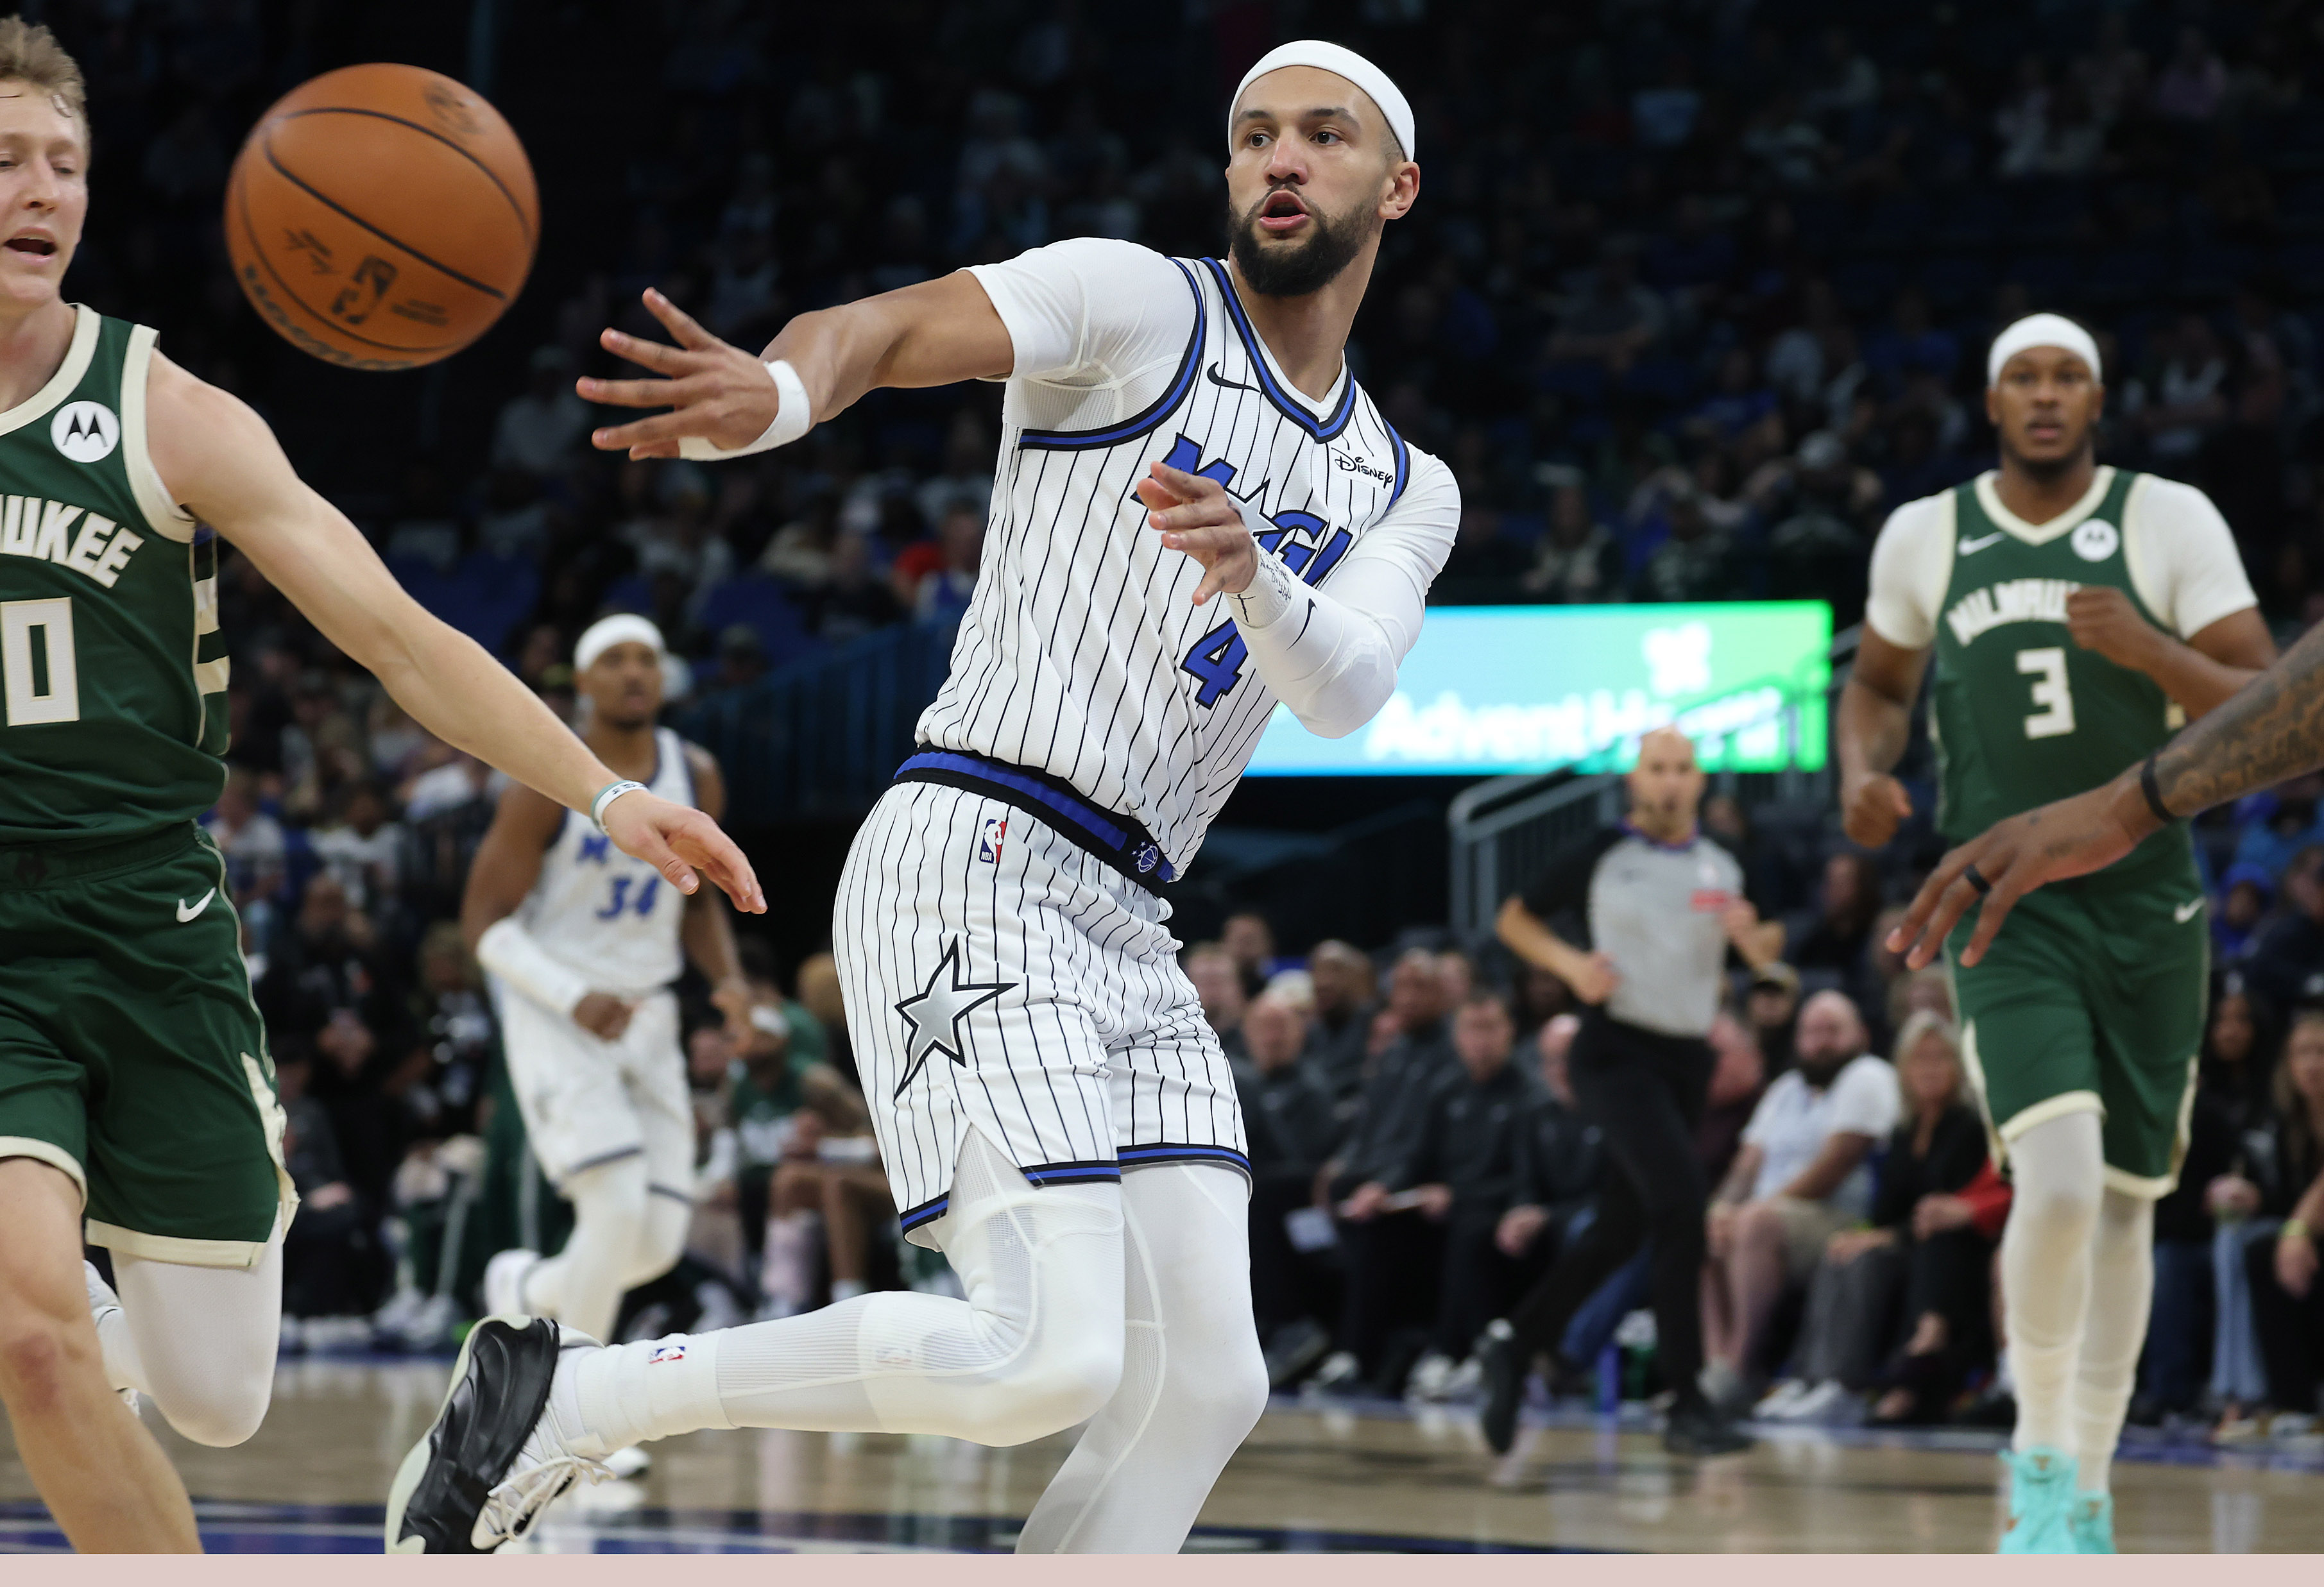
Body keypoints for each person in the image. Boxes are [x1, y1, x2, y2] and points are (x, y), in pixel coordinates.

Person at [388, 41, 1455, 1556]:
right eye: (1254, 135)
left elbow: (1344, 689)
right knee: (1049, 1354)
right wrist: (772, 389)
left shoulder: (1407, 481)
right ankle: (579, 1396)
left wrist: (1252, 569)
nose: (1282, 159)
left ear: (1392, 185)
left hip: (1127, 919)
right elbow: (882, 331)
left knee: (1210, 1378)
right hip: (977, 849)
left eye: (1324, 137)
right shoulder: (1141, 304)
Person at [0, 22, 760, 1554]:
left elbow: (399, 644)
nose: (41, 191)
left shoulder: (165, 415)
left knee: (215, 1397)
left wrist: (604, 797)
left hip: (150, 925)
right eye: (6, 160)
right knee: (32, 1339)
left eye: (65, 165)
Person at [1840, 312, 2273, 1554]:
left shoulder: (2167, 519)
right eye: (2020, 378)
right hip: (2001, 899)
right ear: (1988, 401)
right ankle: (2035, 1452)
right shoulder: (1926, 531)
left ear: (2097, 398)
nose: (2042, 395)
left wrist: (2146, 650)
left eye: (2064, 377)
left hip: (2149, 899)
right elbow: (1872, 683)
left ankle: (2085, 1481)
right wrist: (1855, 773)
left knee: (2129, 1203)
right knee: (2062, 1179)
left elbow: (2269, 703)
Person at [1478, 726, 1784, 1457]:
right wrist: (1572, 965)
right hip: (1614, 1052)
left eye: (1683, 769)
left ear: (1701, 781)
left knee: (1620, 1229)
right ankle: (1685, 1399)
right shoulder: (1600, 852)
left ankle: (1516, 1346)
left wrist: (1755, 943)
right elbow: (1512, 918)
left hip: (1688, 1059)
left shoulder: (1723, 863)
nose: (1671, 781)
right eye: (1657, 769)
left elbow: (1770, 956)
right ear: (1636, 781)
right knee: (1681, 1206)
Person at [466, 616, 759, 1355]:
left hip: (649, 1010)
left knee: (657, 1238)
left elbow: (692, 899)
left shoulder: (697, 772)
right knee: (612, 1200)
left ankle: (527, 1290)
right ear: (584, 680)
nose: (633, 672)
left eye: (647, 660)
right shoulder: (543, 781)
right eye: (615, 660)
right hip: (560, 1008)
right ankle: (575, 1398)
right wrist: (573, 997)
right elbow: (483, 924)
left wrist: (727, 980)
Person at [1759, 1012, 1992, 1426]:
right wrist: (1869, 1236)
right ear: (1904, 1068)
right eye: (1920, 1059)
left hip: (1953, 1250)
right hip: (1910, 1243)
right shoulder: (1904, 1131)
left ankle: (1844, 1384)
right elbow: (1887, 1214)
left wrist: (1882, 1239)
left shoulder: (1970, 1128)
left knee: (1872, 1257)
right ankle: (1811, 1377)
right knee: (1841, 1251)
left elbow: (1949, 1210)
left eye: (1941, 1058)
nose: (1931, 1068)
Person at [1701, 990, 1900, 1410]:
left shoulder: (1869, 1075)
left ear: (1861, 1035)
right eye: (1812, 1031)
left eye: (1833, 1030)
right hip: (1774, 1216)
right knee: (1703, 1227)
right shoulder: (1786, 1088)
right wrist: (1721, 1208)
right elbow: (1745, 1166)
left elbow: (1836, 1164)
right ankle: (1714, 1371)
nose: (1821, 1041)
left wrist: (1756, 1210)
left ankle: (1739, 1366)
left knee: (1754, 1223)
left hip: (1840, 1217)